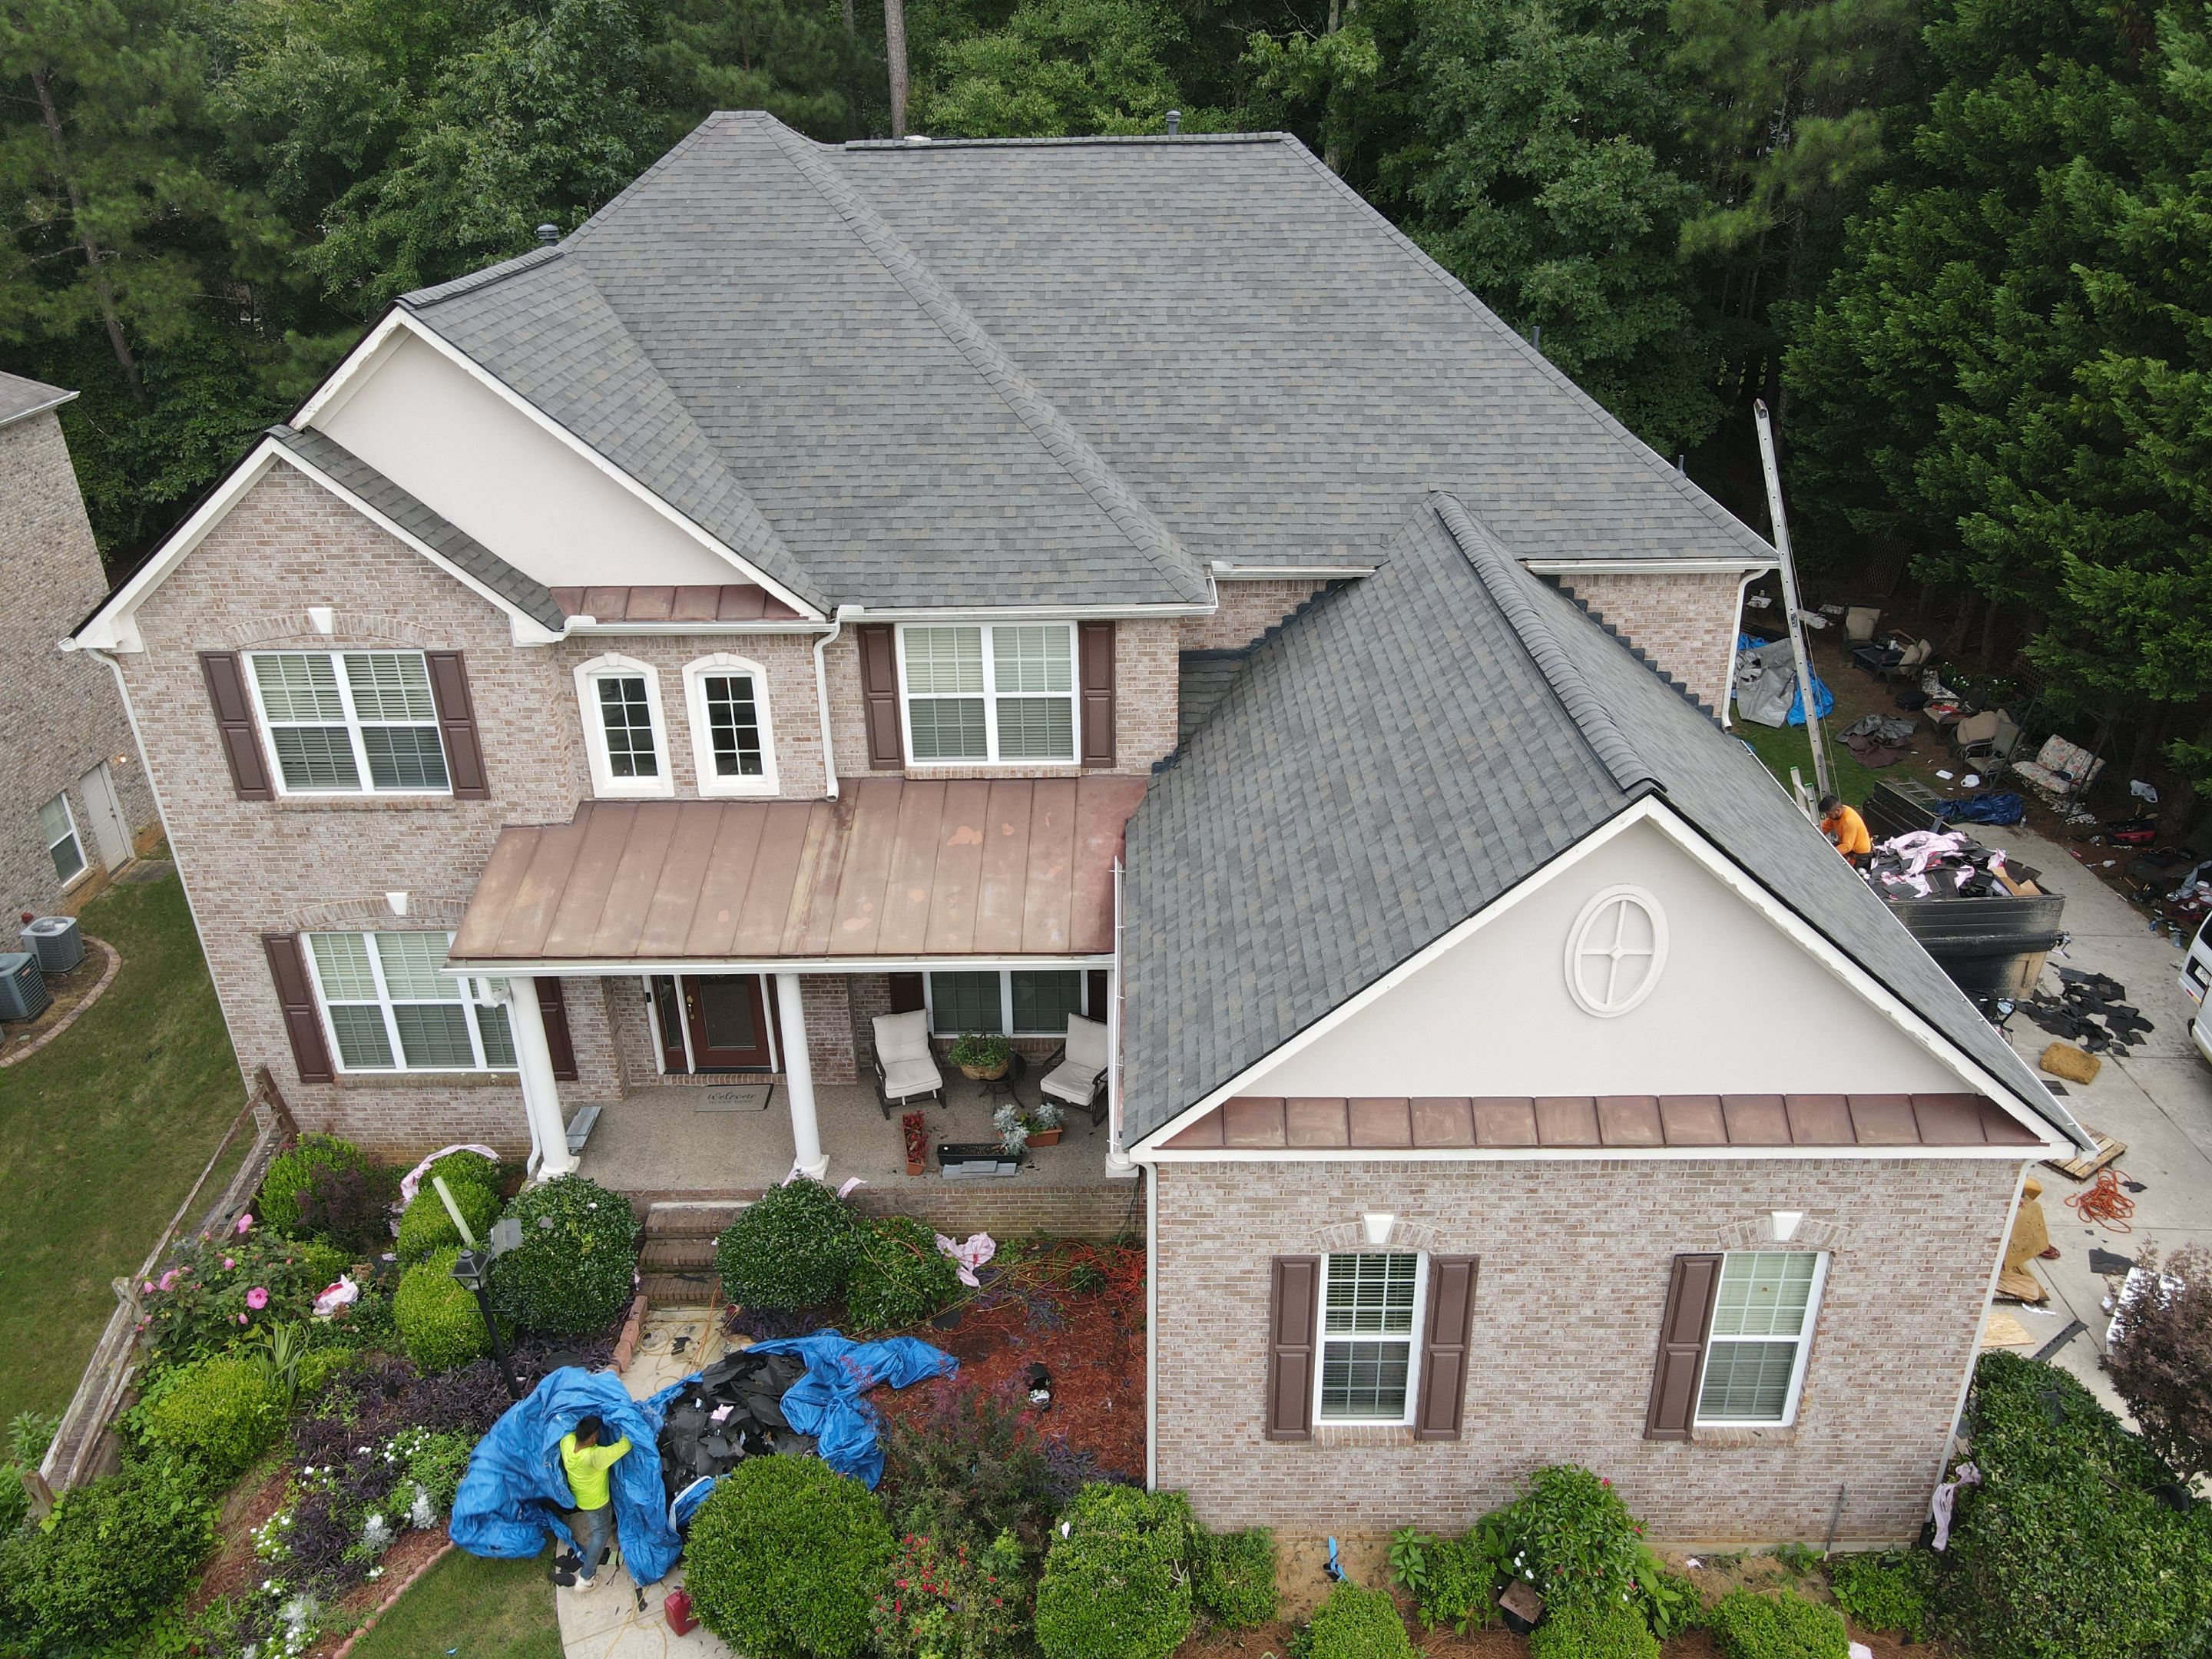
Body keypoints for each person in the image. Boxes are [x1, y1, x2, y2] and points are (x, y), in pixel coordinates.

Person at [560, 1414, 631, 1592]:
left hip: (581, 1498)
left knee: (602, 1524)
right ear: (593, 1438)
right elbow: (625, 1446)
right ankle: (586, 1577)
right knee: (600, 1534)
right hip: (597, 1503)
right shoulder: (594, 1457)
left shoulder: (567, 1443)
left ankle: (612, 1524)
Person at [1820, 793, 1873, 866]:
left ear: (1837, 810)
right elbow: (1824, 828)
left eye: (1829, 814)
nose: (1828, 817)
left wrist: (1828, 855)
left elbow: (1847, 846)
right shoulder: (1836, 815)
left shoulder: (1849, 822)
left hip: (1860, 856)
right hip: (1848, 848)